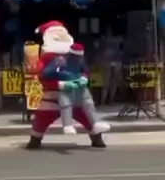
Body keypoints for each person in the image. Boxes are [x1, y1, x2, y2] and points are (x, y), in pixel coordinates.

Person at [26, 21, 110, 150]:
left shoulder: (74, 55)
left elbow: (85, 70)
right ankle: (35, 140)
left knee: (84, 112)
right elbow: (43, 75)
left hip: (73, 93)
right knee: (42, 118)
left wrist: (83, 78)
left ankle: (96, 137)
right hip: (53, 94)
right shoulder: (47, 58)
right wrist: (59, 84)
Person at [99, 26, 123, 106]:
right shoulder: (112, 40)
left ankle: (109, 100)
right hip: (108, 61)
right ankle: (104, 101)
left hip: (113, 61)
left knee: (112, 82)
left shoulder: (105, 40)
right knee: (107, 82)